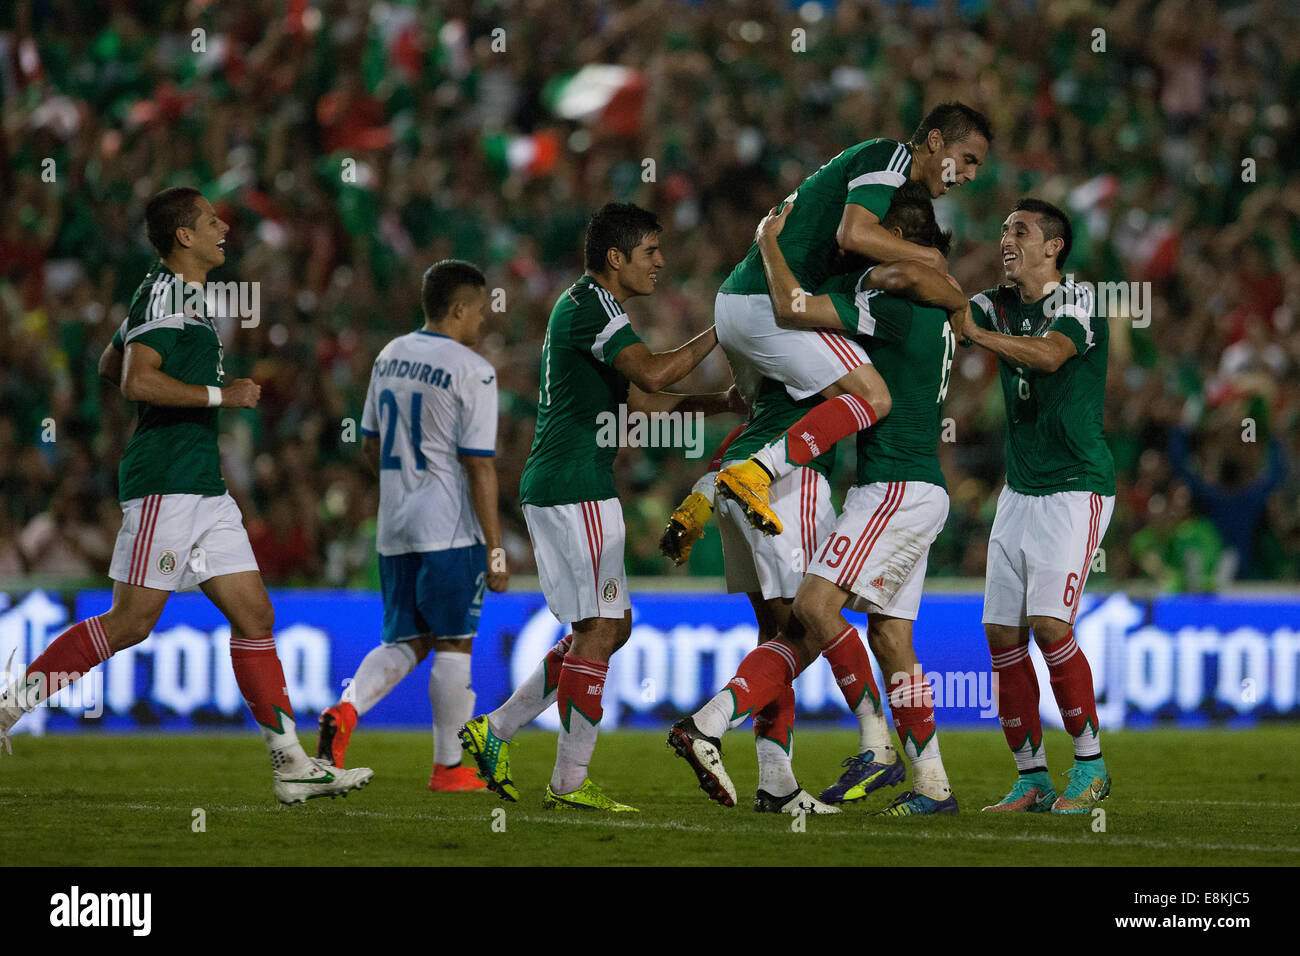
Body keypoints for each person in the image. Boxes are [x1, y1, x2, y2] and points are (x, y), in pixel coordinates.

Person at [0, 186, 373, 804]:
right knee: (131, 623)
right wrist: (221, 396)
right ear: (184, 237)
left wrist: (185, 382)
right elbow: (133, 379)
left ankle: (290, 767)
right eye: (209, 220)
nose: (223, 226)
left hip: (203, 484)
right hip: (165, 482)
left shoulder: (180, 298)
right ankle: (10, 705)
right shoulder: (165, 292)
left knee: (254, 615)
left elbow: (108, 362)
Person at [669, 184, 965, 816]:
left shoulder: (891, 305)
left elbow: (792, 305)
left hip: (887, 487)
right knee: (887, 638)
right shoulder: (935, 311)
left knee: (811, 609)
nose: (854, 252)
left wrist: (770, 245)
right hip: (911, 485)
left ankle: (867, 743)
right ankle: (932, 784)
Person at [459, 202, 741, 811]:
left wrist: (722, 402)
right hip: (573, 486)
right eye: (650, 252)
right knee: (601, 628)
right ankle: (568, 782)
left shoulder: (595, 310)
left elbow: (647, 404)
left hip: (572, 485)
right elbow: (658, 375)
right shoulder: (592, 305)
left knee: (612, 627)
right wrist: (724, 325)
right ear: (616, 258)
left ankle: (497, 731)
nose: (661, 263)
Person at [711, 103, 990, 535]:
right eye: (968, 159)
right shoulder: (891, 156)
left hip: (743, 303)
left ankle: (700, 494)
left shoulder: (870, 200)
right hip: (767, 302)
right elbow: (854, 232)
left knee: (769, 412)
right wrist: (932, 260)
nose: (970, 174)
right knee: (874, 397)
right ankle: (756, 474)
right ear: (934, 142)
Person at [313, 259, 508, 792]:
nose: (485, 322)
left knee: (408, 638)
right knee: (454, 643)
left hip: (394, 526)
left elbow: (371, 443)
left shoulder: (389, 355)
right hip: (449, 530)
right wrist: (495, 548)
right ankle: (448, 768)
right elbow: (480, 464)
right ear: (458, 308)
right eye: (481, 310)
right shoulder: (474, 369)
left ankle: (346, 712)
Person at [951, 199, 1115, 814]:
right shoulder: (995, 303)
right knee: (1001, 633)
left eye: (1020, 230)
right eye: (1002, 230)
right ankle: (1032, 777)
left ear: (1054, 247)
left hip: (1076, 486)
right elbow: (949, 312)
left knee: (1051, 627)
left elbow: (1048, 355)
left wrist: (978, 334)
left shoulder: (1076, 302)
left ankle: (1091, 766)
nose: (1006, 238)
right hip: (1019, 490)